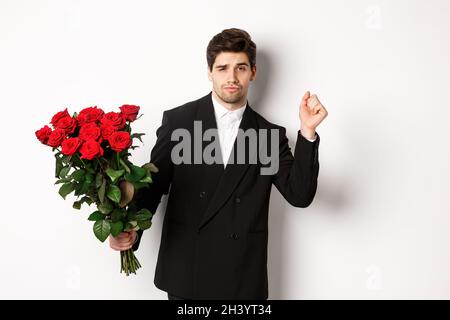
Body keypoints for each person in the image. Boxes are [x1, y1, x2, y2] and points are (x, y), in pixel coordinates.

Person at [109, 28, 328, 300]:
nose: (232, 77)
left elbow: (300, 195)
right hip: (188, 270)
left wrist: (307, 133)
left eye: (241, 68)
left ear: (253, 72)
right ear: (210, 72)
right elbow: (153, 187)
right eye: (223, 68)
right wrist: (129, 230)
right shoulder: (180, 122)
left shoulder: (268, 136)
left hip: (242, 276)